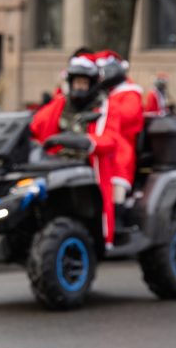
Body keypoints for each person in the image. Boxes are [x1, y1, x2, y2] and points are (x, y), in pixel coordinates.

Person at [30, 50, 130, 246]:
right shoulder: (60, 104)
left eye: (84, 83)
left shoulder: (104, 108)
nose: (79, 87)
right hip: (58, 162)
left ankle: (102, 234)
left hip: (88, 163)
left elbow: (110, 138)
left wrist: (87, 141)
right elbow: (37, 123)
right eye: (76, 83)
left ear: (92, 84)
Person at [95, 50, 144, 230]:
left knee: (117, 173)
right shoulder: (107, 95)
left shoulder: (130, 93)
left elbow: (128, 116)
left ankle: (118, 214)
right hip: (104, 141)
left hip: (121, 145)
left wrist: (105, 106)